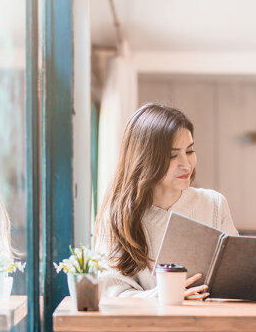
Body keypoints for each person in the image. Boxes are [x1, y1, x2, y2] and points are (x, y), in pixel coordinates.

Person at [95, 103, 238, 298]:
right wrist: (162, 295)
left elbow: (235, 280)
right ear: (145, 159)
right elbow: (111, 292)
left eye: (189, 151)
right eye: (172, 156)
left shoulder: (214, 204)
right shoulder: (117, 215)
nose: (186, 164)